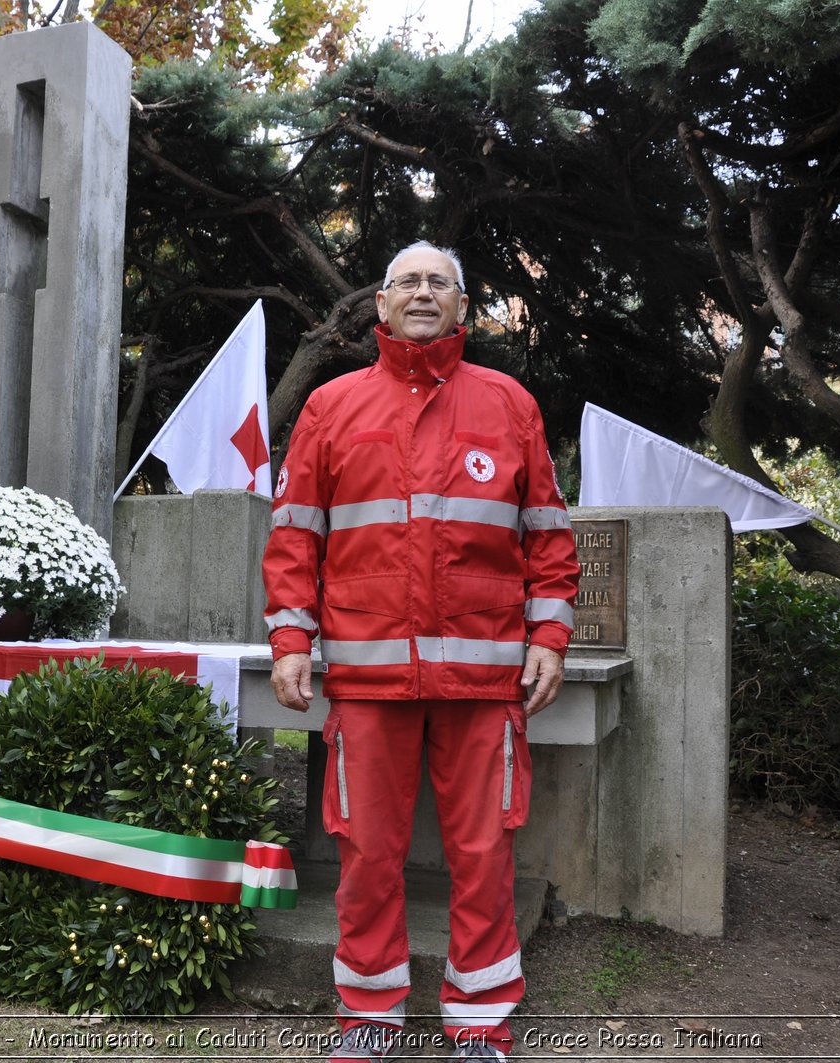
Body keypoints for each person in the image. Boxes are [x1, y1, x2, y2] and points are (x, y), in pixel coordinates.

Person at [262, 240, 581, 1062]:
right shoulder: (332, 407)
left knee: (482, 854)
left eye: (441, 282)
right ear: (380, 305)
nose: (424, 293)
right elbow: (296, 536)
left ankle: (478, 1026)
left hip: (484, 678)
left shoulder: (510, 403)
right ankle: (368, 1019)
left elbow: (548, 535)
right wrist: (291, 638)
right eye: (407, 281)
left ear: (464, 307)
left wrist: (549, 635)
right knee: (367, 853)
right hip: (367, 679)